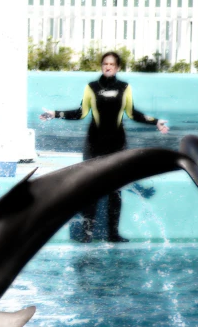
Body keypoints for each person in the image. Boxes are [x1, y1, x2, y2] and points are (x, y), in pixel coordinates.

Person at [39, 51, 169, 243]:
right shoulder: (91, 87)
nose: (108, 67)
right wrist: (55, 113)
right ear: (102, 66)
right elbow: (80, 113)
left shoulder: (125, 88)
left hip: (117, 144)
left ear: (117, 68)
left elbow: (132, 114)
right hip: (94, 144)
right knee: (89, 190)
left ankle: (112, 234)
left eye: (111, 64)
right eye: (105, 64)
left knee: (115, 191)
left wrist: (155, 121)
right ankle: (87, 234)